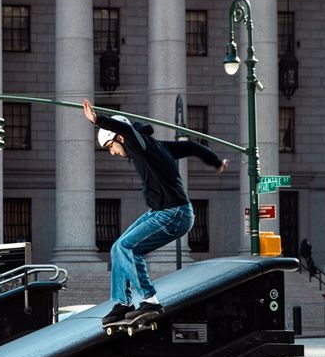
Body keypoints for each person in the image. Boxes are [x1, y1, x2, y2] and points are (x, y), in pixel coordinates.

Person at [82, 99, 229, 326]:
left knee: (127, 247)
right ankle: (123, 303)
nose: (113, 153)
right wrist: (215, 161)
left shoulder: (137, 143)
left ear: (118, 138)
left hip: (174, 213)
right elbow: (191, 147)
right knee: (117, 248)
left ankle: (150, 300)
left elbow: (127, 130)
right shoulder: (159, 147)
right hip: (162, 212)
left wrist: (98, 120)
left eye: (110, 147)